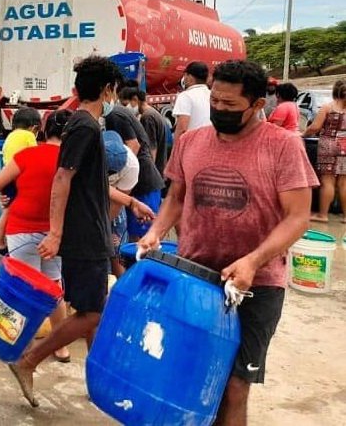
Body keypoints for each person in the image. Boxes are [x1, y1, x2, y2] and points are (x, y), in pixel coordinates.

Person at [138, 60, 317, 426]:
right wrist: (156, 231)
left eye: (230, 105)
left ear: (256, 105)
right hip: (194, 277)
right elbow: (175, 197)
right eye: (215, 101)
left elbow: (298, 216)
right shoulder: (190, 141)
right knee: (188, 373)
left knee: (236, 385)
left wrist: (253, 261)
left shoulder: (283, 146)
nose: (219, 109)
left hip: (257, 285)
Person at [9, 56, 155, 408]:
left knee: (93, 308)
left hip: (94, 227)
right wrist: (56, 233)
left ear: (77, 88)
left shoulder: (89, 126)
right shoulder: (85, 127)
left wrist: (129, 201)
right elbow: (63, 179)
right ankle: (27, 361)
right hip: (83, 233)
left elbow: (91, 183)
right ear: (108, 90)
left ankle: (98, 378)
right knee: (91, 312)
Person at [0, 109, 73, 362]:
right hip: (55, 234)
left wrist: (10, 193)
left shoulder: (28, 154)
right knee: (53, 288)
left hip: (21, 230)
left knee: (23, 290)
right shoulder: (71, 162)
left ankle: (18, 345)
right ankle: (60, 347)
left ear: (44, 130)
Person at [105, 94, 165, 241]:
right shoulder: (118, 113)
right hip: (143, 181)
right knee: (133, 237)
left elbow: (134, 145)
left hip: (143, 185)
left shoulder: (114, 115)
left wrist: (118, 176)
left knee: (142, 239)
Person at [0, 108, 41, 252]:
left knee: (7, 210)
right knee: (11, 212)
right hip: (17, 177)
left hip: (6, 176)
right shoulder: (29, 135)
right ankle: (1, 242)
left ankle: (2, 240)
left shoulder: (10, 136)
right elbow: (35, 156)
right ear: (34, 127)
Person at [303, 79, 346, 222]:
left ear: (335, 91)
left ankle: (323, 215)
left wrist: (303, 134)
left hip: (329, 145)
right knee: (343, 183)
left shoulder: (328, 108)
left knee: (328, 181)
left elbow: (315, 127)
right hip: (345, 146)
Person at [104, 130, 139, 278]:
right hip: (90, 199)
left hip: (114, 202)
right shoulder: (87, 155)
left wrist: (105, 229)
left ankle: (120, 285)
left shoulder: (131, 166)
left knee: (116, 247)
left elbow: (118, 202)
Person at [120, 87, 168, 177]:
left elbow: (151, 148)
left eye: (125, 104)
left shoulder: (147, 117)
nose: (126, 108)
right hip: (160, 169)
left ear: (135, 99)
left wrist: (150, 173)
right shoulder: (153, 112)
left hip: (155, 171)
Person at [173, 61, 211, 139]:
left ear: (190, 77)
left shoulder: (185, 96)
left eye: (185, 75)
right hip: (211, 143)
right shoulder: (212, 95)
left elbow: (182, 129)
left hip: (193, 146)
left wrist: (175, 149)